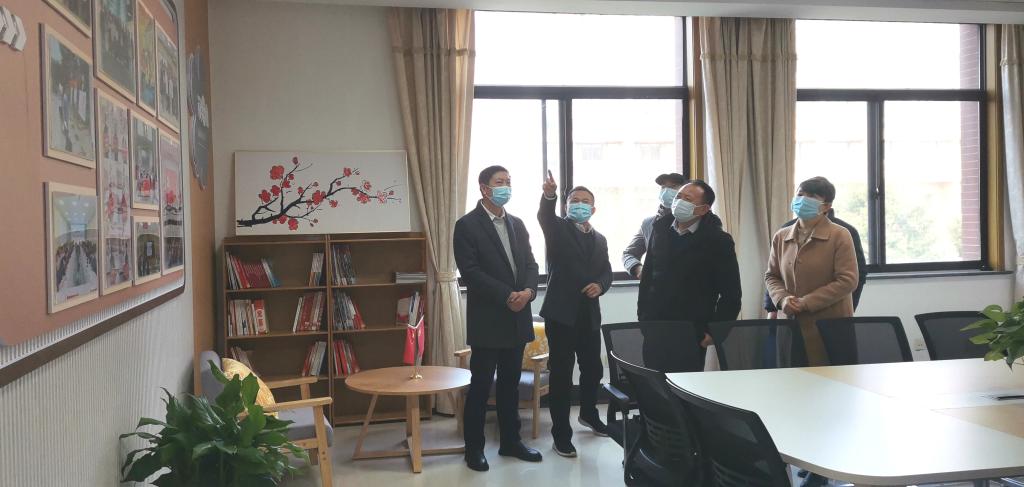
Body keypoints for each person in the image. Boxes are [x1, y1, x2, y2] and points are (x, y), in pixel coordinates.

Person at [453, 165, 542, 472]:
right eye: (499, 182)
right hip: (488, 319)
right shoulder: (467, 225)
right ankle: (474, 449)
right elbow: (471, 272)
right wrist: (507, 295)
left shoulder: (517, 223)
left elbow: (531, 264)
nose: (506, 186)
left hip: (518, 318)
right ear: (484, 188)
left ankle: (511, 442)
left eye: (508, 181)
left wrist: (528, 292)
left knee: (510, 385)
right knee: (480, 386)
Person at [537, 170, 613, 458]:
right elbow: (545, 215)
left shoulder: (600, 238)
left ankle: (589, 414)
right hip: (561, 314)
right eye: (574, 200)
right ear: (566, 206)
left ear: (593, 208)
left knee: (593, 369)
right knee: (562, 374)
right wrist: (549, 195)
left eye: (585, 201)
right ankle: (561, 435)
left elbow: (606, 271)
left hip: (589, 315)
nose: (579, 204)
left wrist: (601, 285)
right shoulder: (557, 228)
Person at [636, 180, 742, 370]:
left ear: (703, 209)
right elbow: (648, 278)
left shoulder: (718, 241)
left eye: (688, 199)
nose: (679, 202)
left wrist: (715, 332)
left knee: (684, 385)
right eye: (679, 196)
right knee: (653, 382)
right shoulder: (659, 229)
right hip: (655, 326)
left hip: (693, 330)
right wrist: (643, 318)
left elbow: (731, 293)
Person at [765, 176, 859, 367]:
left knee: (829, 379)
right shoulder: (782, 235)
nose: (802, 200)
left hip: (828, 325)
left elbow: (847, 280)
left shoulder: (840, 235)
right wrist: (782, 299)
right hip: (789, 323)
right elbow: (772, 276)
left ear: (826, 206)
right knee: (790, 378)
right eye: (800, 194)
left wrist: (806, 302)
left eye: (811, 196)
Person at [763, 207, 867, 317]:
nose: (803, 201)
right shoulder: (784, 232)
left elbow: (854, 276)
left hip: (830, 316)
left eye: (812, 198)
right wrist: (774, 306)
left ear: (827, 204)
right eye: (799, 197)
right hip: (789, 315)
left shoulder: (844, 232)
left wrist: (850, 307)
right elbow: (774, 274)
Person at [622, 172, 687, 279]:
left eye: (673, 186)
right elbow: (629, 254)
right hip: (655, 286)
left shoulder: (692, 220)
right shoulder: (649, 223)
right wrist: (639, 269)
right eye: (663, 187)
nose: (666, 191)